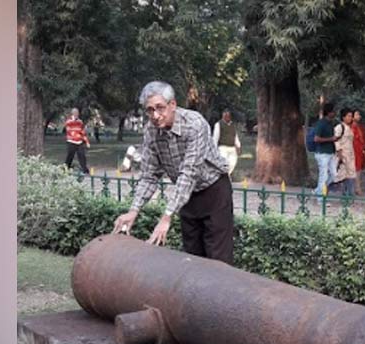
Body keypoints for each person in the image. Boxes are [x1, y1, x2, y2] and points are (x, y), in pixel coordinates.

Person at [112, 81, 234, 265]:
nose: (155, 115)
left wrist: (166, 217)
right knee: (192, 259)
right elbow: (149, 175)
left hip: (214, 191)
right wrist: (133, 211)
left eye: (160, 108)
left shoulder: (195, 124)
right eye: (150, 110)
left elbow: (189, 173)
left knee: (218, 261)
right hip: (187, 198)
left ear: (173, 105)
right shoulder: (151, 132)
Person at [312, 102, 340, 195]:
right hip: (322, 153)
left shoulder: (330, 124)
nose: (335, 113)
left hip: (331, 152)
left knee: (334, 175)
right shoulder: (321, 123)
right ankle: (321, 197)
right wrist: (330, 139)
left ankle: (318, 190)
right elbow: (316, 138)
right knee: (323, 175)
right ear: (329, 112)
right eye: (333, 111)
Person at [333, 108, 357, 196]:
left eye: (351, 116)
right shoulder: (340, 127)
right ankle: (322, 191)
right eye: (349, 116)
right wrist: (339, 153)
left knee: (350, 175)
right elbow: (335, 140)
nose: (350, 118)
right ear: (343, 117)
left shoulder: (350, 128)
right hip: (342, 155)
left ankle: (348, 194)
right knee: (339, 175)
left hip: (350, 155)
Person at [212, 109, 242, 175]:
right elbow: (215, 137)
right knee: (224, 163)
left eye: (228, 115)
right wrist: (214, 148)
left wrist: (238, 146)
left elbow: (235, 136)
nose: (226, 117)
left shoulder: (232, 125)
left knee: (232, 163)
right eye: (225, 115)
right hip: (223, 147)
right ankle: (224, 177)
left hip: (232, 147)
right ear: (222, 116)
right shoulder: (218, 124)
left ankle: (227, 175)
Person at [64, 108, 91, 174]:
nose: (77, 114)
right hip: (71, 141)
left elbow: (82, 132)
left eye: (77, 113)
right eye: (75, 113)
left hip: (79, 141)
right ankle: (66, 169)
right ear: (72, 114)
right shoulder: (69, 121)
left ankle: (85, 170)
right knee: (70, 156)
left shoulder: (80, 122)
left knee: (82, 155)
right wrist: (73, 120)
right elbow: (68, 129)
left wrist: (87, 142)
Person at [351, 109, 365, 195]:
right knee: (355, 170)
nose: (359, 117)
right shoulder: (350, 127)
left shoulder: (360, 127)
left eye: (359, 115)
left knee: (358, 170)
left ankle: (357, 187)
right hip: (353, 152)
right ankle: (356, 188)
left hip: (359, 152)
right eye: (357, 115)